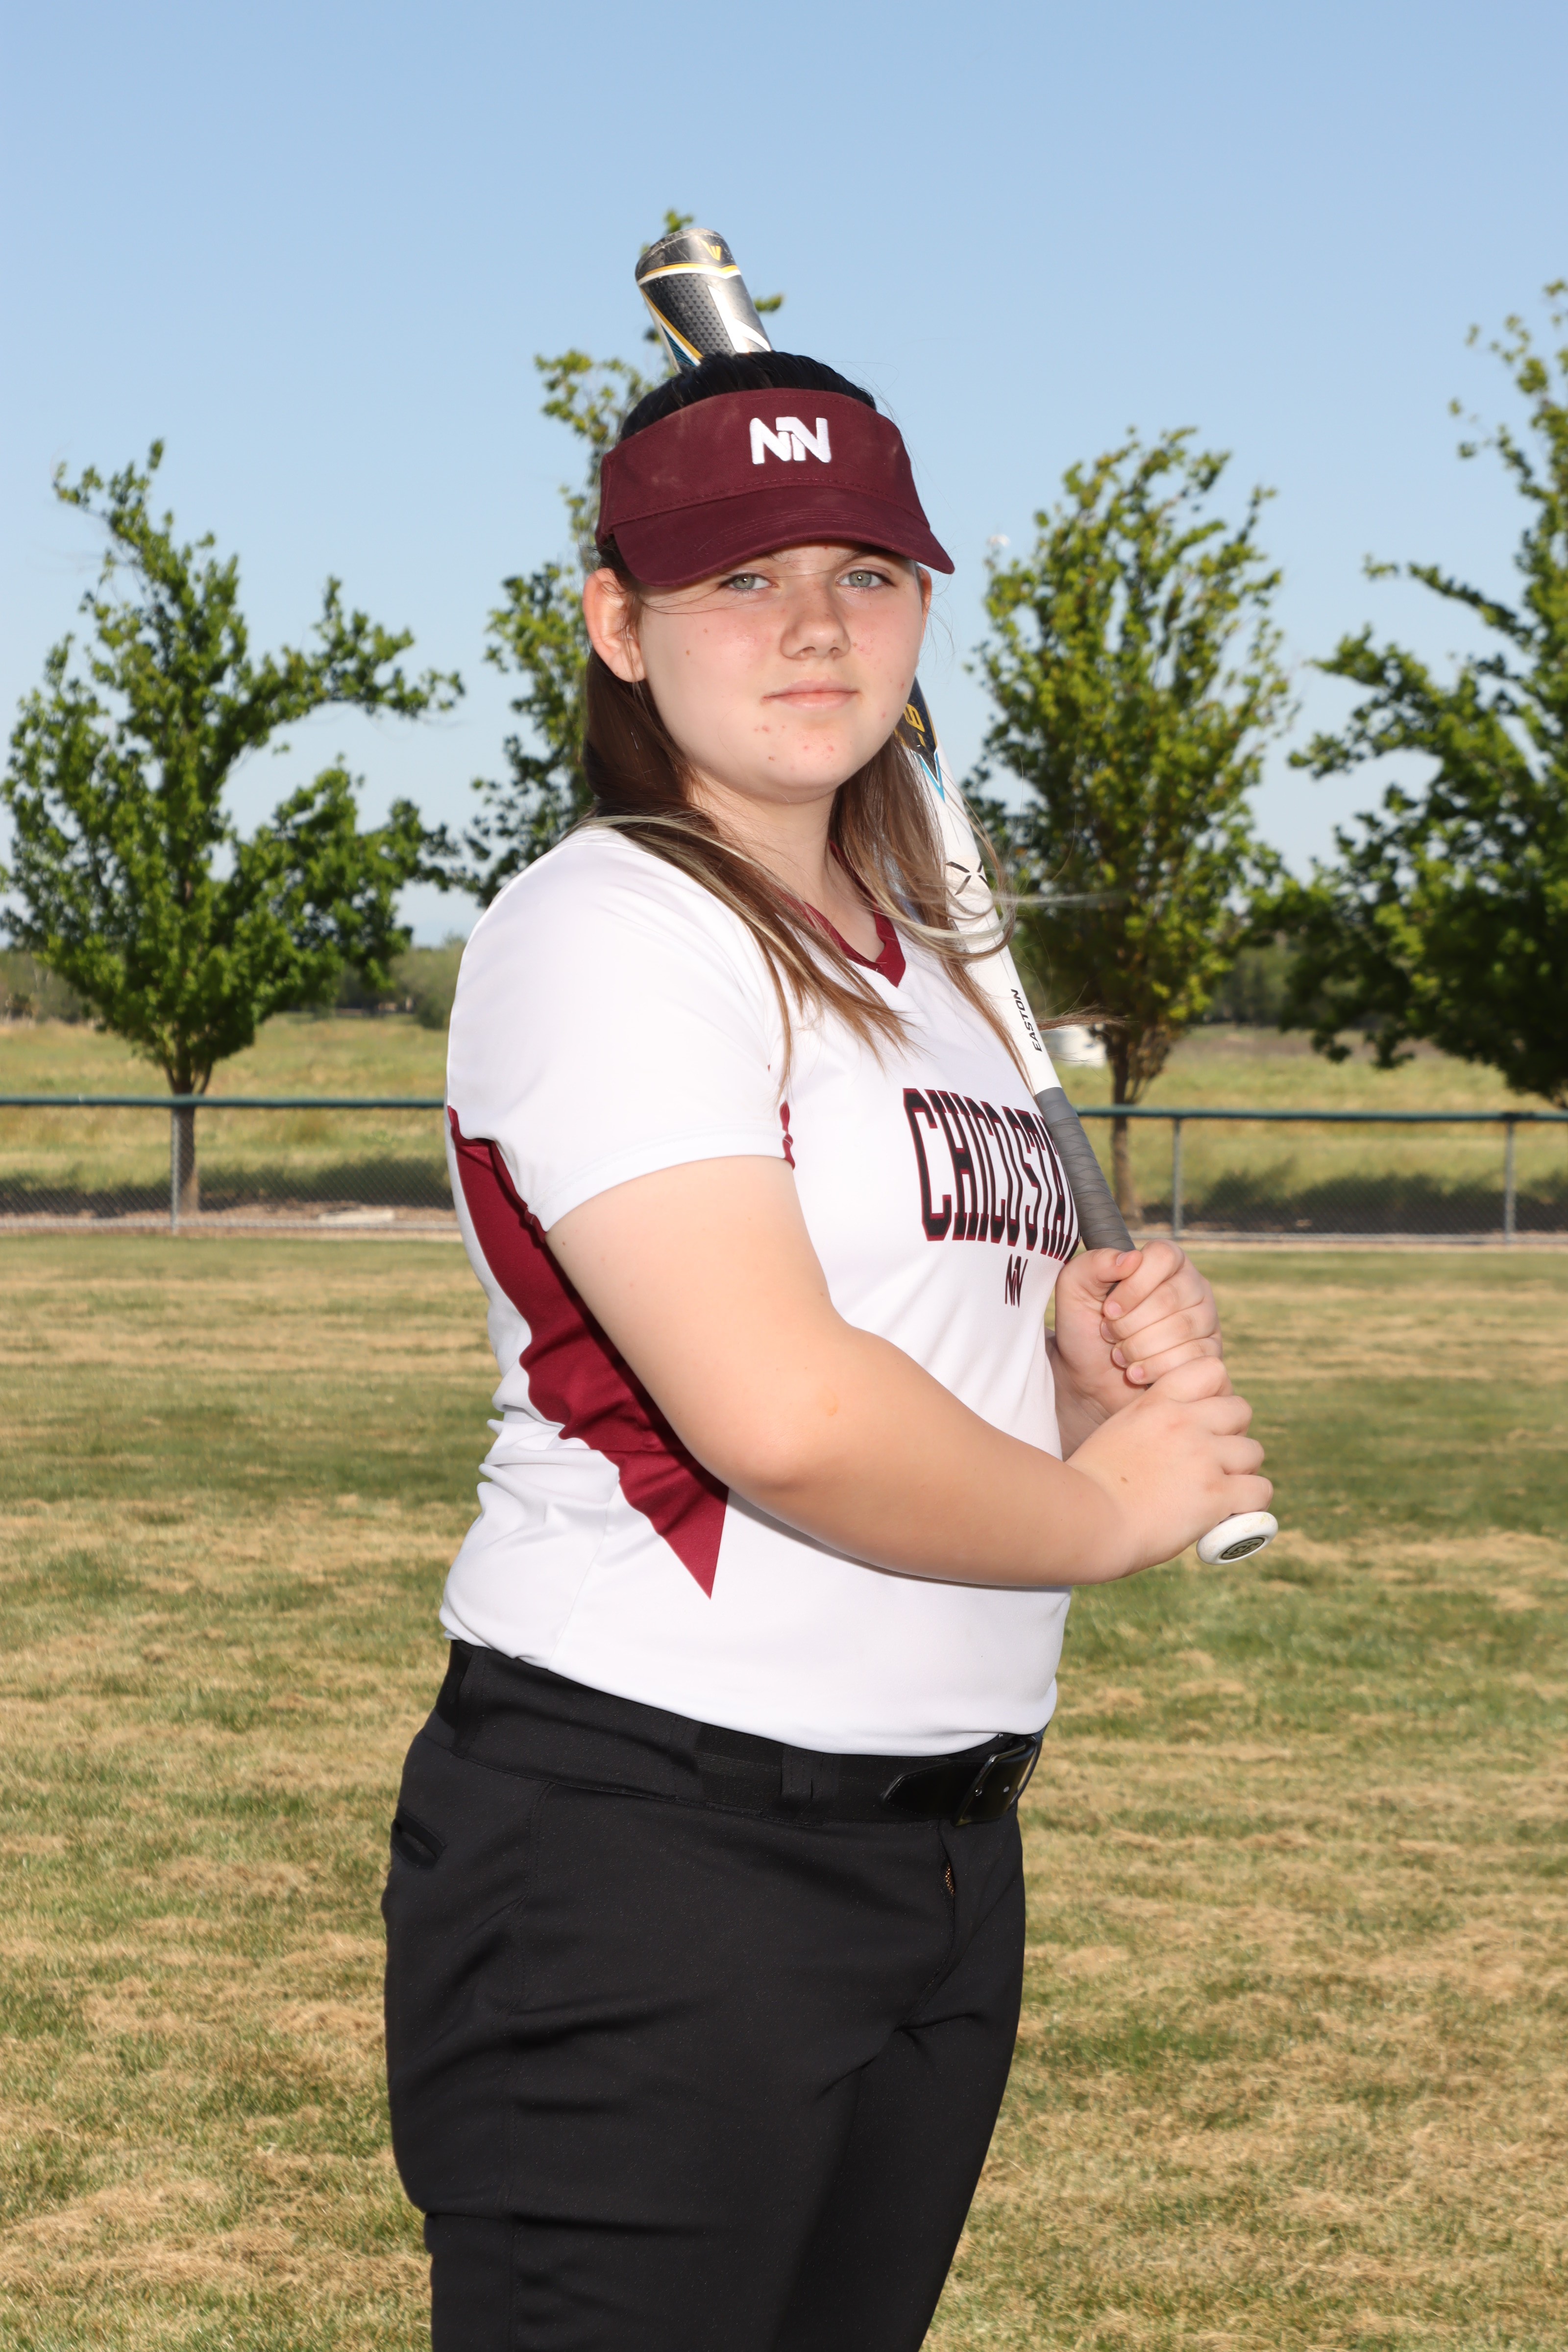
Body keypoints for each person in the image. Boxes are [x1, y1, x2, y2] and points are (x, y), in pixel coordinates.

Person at [382, 351, 1270, 2352]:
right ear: (619, 625)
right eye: (739, 578)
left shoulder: (926, 961)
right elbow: (781, 1411)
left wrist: (1068, 1366)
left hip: (940, 1853)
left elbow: (907, 1334)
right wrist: (1106, 1512)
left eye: (865, 573)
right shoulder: (611, 929)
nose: (813, 626)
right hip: (652, 1850)